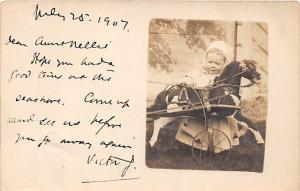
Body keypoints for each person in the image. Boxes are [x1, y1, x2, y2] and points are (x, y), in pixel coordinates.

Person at [149, 41, 238, 150]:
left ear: (224, 64)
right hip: (197, 105)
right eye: (210, 62)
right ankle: (194, 144)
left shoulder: (223, 78)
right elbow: (190, 78)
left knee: (221, 121)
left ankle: (220, 147)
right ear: (205, 60)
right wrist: (187, 81)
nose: (213, 66)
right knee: (194, 122)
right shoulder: (199, 72)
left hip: (215, 108)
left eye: (217, 63)